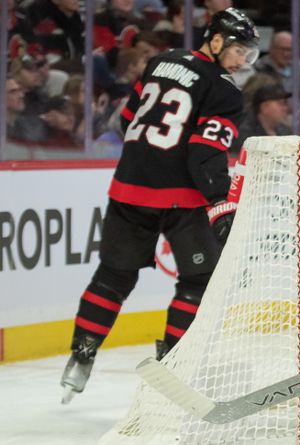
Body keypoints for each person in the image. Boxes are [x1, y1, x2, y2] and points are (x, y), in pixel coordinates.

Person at [59, 8, 259, 403]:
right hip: (180, 199)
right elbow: (204, 152)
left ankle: (81, 356)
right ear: (215, 40)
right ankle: (173, 367)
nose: (241, 62)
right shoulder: (224, 90)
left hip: (128, 187)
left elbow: (127, 119)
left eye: (248, 55)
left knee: (113, 277)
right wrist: (220, 202)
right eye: (238, 51)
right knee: (199, 281)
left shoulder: (161, 61)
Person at [232, 84, 291, 153]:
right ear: (264, 107)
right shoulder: (244, 136)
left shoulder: (285, 131)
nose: (286, 108)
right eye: (281, 104)